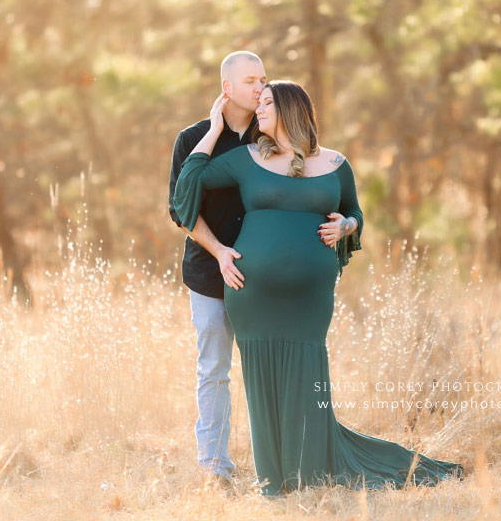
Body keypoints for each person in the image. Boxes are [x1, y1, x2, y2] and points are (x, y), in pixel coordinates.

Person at [173, 80, 465, 497]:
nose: (260, 108)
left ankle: (310, 466)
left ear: (293, 109)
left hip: (310, 298)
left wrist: (346, 226)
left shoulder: (335, 163)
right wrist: (215, 126)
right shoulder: (245, 158)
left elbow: (354, 213)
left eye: (269, 102)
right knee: (261, 376)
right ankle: (274, 477)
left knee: (309, 369)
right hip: (253, 291)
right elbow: (190, 182)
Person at [167, 51, 267, 487]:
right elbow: (180, 211)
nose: (261, 87)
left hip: (263, 277)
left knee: (266, 367)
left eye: (264, 79)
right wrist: (220, 250)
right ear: (227, 88)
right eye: (250, 81)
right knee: (213, 369)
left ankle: (276, 461)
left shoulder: (274, 135)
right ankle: (214, 466)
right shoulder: (191, 138)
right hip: (208, 274)